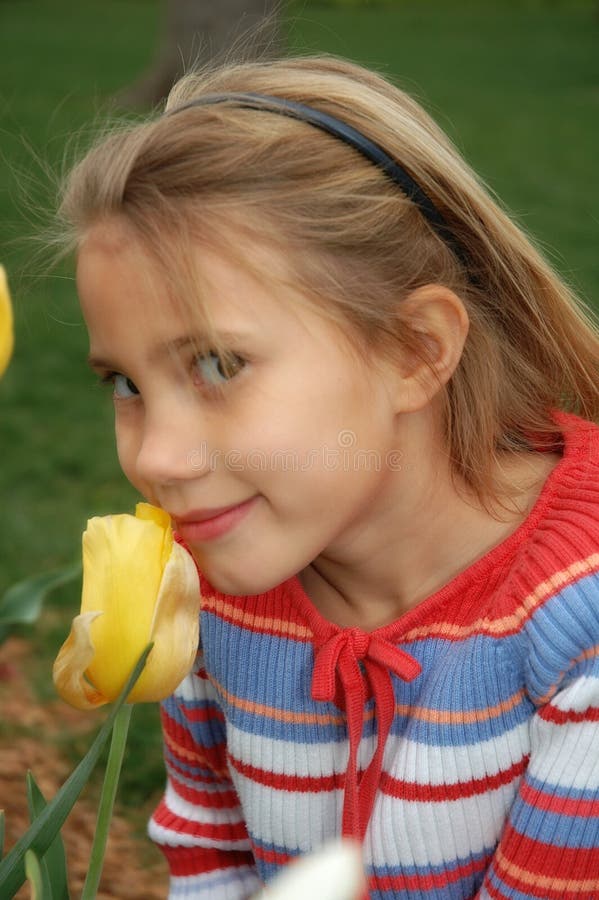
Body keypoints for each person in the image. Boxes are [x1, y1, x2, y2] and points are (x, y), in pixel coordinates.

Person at [57, 55, 599, 899]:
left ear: (414, 351)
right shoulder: (216, 597)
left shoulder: (577, 626)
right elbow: (211, 863)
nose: (156, 458)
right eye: (124, 383)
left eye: (217, 363)